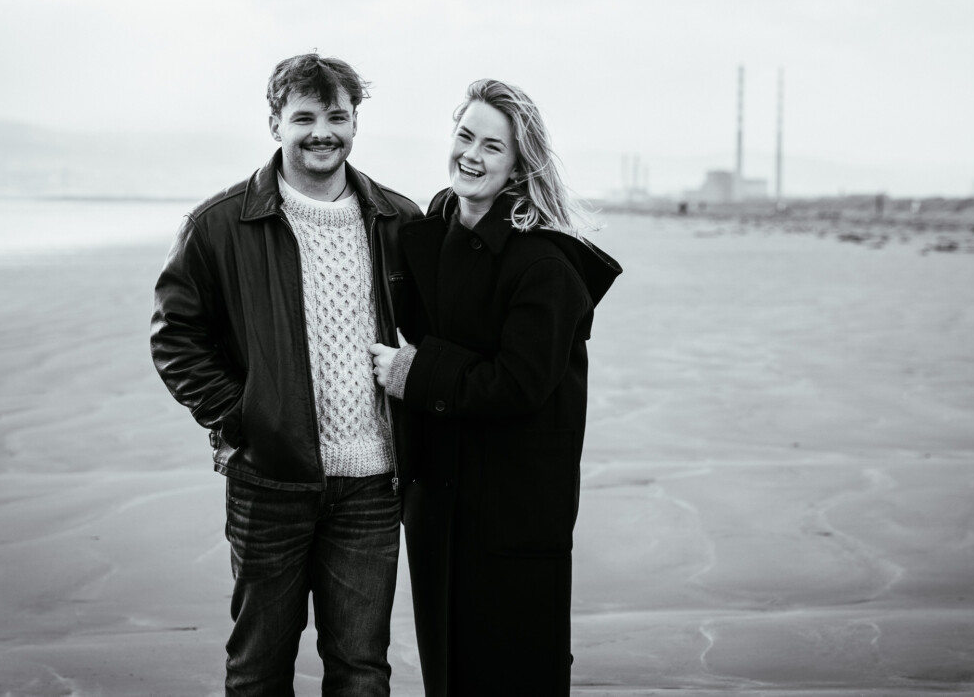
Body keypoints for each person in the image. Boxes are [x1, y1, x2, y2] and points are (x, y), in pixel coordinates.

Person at [150, 52, 421, 696]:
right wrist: (244, 417)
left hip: (372, 485)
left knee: (360, 669)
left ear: (356, 124)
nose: (321, 131)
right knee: (258, 668)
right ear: (275, 123)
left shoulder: (399, 221)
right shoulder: (219, 224)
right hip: (268, 480)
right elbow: (176, 338)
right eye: (304, 116)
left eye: (337, 116)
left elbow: (436, 328)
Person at [369, 79, 622, 696]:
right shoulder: (427, 238)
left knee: (513, 672)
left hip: (514, 509)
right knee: (448, 673)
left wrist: (412, 373)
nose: (472, 155)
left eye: (492, 146)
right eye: (464, 137)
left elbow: (520, 383)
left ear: (518, 165)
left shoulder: (546, 265)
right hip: (440, 505)